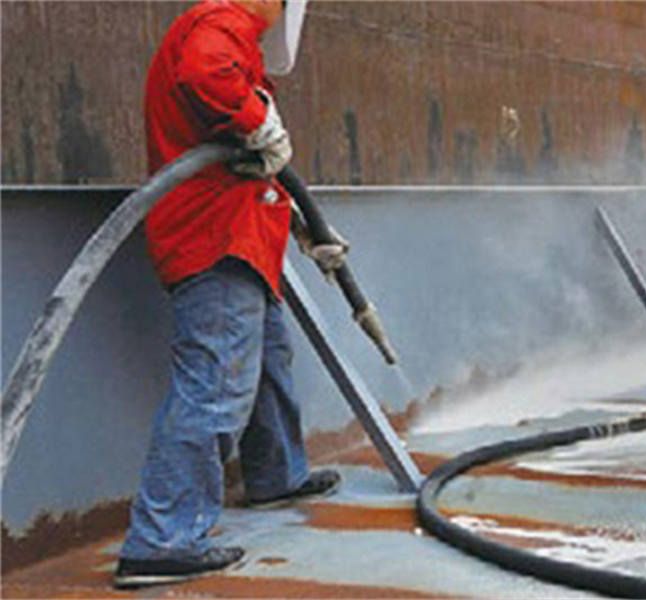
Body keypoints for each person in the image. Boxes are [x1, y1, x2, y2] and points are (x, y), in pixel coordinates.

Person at [115, 0, 342, 588]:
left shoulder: (230, 38)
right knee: (216, 386)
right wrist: (257, 118)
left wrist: (307, 230)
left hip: (241, 237)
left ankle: (276, 475)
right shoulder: (221, 25)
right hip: (214, 241)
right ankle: (161, 541)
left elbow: (250, 165)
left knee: (267, 361)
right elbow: (205, 71)